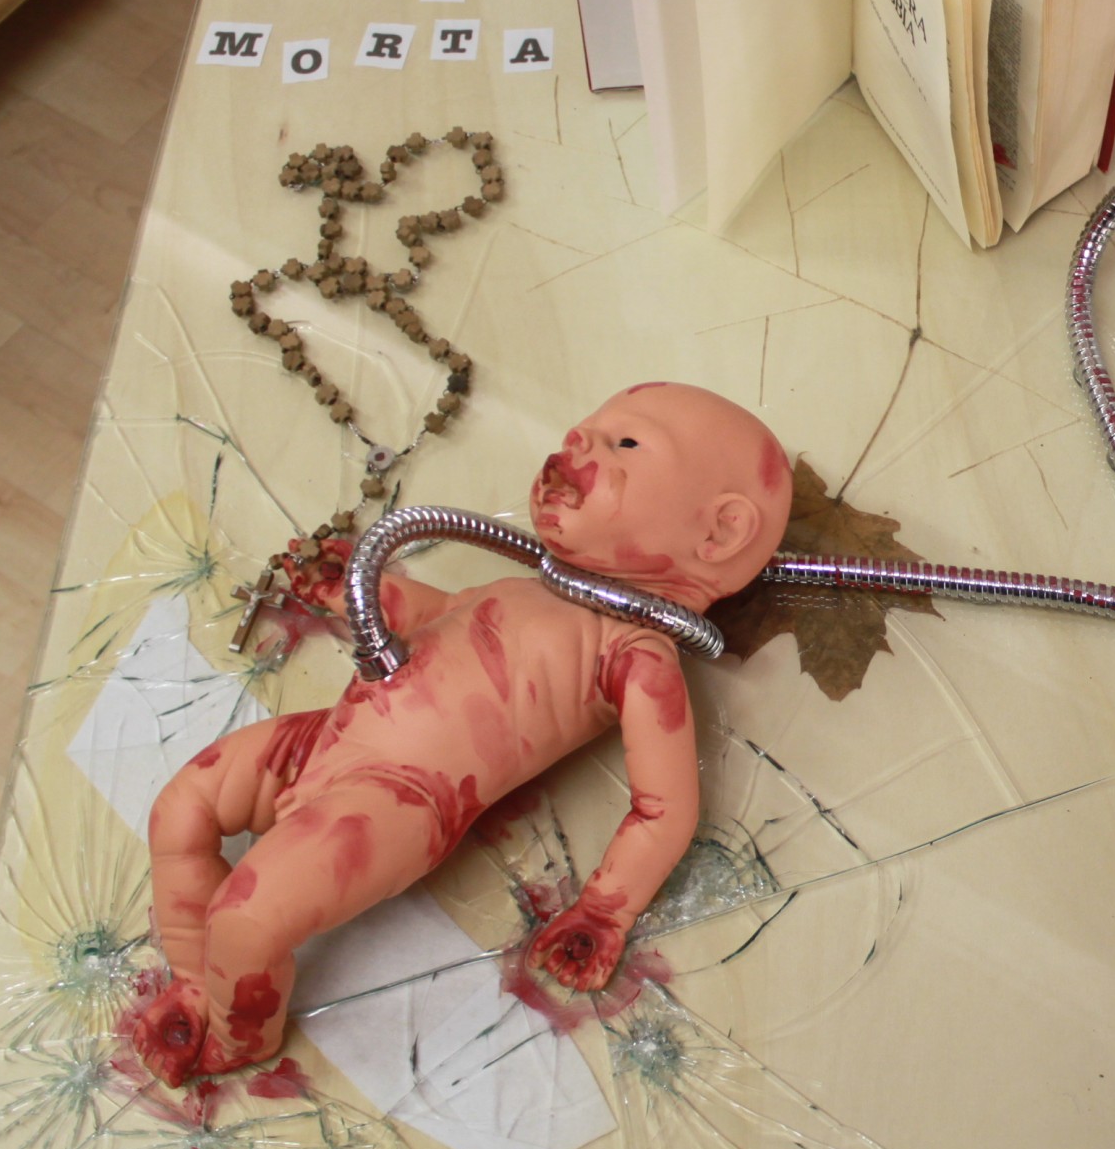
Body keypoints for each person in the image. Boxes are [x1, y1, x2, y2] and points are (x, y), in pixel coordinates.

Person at [130, 382, 792, 1086]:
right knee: (179, 810)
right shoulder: (529, 590)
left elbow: (666, 808)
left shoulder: (635, 654)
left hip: (398, 798)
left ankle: (240, 1035)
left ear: (719, 533)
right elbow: (438, 618)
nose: (576, 444)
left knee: (248, 917)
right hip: (327, 737)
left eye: (624, 444)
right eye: (583, 429)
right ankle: (196, 983)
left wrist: (605, 911)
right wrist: (347, 591)